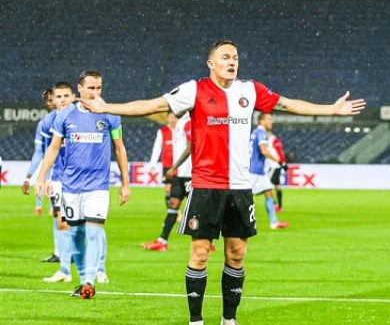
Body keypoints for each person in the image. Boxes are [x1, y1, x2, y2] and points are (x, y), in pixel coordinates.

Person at [80, 39, 365, 325]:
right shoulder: (195, 89)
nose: (232, 62)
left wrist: (331, 109)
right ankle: (195, 320)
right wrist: (107, 107)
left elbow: (289, 104)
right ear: (211, 63)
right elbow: (152, 105)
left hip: (240, 188)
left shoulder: (250, 90)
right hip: (206, 186)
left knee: (237, 253)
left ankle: (229, 319)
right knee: (200, 253)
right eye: (226, 57)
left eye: (236, 57)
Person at [35, 71, 131, 299]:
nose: (95, 92)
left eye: (98, 88)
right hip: (70, 186)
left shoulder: (110, 114)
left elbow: (120, 148)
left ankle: (89, 281)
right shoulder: (65, 115)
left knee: (94, 231)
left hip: (98, 186)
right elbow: (54, 148)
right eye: (91, 88)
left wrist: (126, 183)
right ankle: (83, 279)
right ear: (80, 89)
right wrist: (41, 176)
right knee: (76, 233)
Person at [23, 82, 79, 281]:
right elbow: (48, 152)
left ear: (73, 96)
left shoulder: (83, 116)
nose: (60, 101)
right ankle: (65, 269)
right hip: (59, 179)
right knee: (62, 222)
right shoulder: (48, 122)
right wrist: (42, 178)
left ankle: (96, 269)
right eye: (57, 97)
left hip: (83, 179)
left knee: (87, 226)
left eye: (65, 96)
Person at [142, 111, 192, 251]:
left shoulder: (189, 123)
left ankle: (208, 242)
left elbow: (191, 146)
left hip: (190, 174)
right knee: (173, 204)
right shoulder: (176, 126)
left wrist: (174, 166)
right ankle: (162, 241)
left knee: (197, 209)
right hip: (178, 174)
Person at [249, 113, 288, 229]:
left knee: (269, 193)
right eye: (268, 119)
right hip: (254, 171)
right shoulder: (262, 133)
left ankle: (274, 222)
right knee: (245, 198)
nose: (271, 122)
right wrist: (279, 161)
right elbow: (264, 151)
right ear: (261, 121)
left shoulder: (255, 132)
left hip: (257, 170)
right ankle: (246, 223)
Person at [24, 89, 55, 216]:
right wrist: (28, 177)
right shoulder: (44, 124)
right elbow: (39, 152)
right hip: (52, 164)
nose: (53, 102)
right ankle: (41, 208)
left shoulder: (74, 118)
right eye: (49, 100)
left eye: (56, 98)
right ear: (45, 104)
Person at [147, 111, 179, 207]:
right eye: (171, 117)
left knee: (179, 188)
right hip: (168, 165)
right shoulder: (162, 131)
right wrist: (152, 164)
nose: (173, 119)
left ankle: (178, 209)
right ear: (167, 118)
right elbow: (157, 148)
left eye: (175, 117)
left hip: (180, 166)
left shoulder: (181, 130)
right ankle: (173, 210)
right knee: (168, 187)